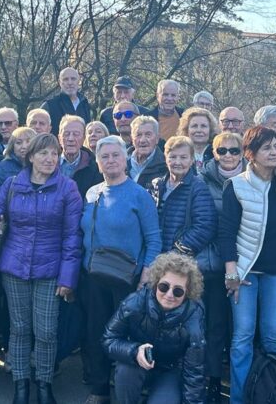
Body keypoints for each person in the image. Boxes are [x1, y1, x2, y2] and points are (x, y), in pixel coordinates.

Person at [0, 133, 83, 404]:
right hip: (14, 268)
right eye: (43, 153)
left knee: (47, 332)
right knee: (20, 329)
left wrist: (68, 277)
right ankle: (21, 385)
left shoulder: (67, 187)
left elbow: (73, 235)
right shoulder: (13, 184)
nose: (49, 159)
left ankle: (44, 384)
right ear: (30, 157)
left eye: (54, 153)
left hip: (51, 269)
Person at [218, 125, 276, 404]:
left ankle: (273, 395)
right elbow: (226, 232)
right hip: (245, 274)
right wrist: (232, 274)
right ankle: (239, 399)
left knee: (273, 337)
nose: (274, 151)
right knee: (242, 338)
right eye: (267, 147)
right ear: (250, 154)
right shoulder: (237, 185)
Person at [80, 136, 162, 404]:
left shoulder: (140, 195)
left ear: (125, 159)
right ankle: (99, 389)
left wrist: (146, 274)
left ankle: (131, 390)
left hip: (128, 279)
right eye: (105, 156)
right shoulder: (92, 193)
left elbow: (154, 239)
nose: (111, 160)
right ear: (98, 161)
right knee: (95, 333)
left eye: (116, 155)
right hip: (93, 277)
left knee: (127, 335)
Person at [150, 136, 217, 397]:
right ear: (165, 158)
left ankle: (187, 384)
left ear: (192, 160)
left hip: (182, 268)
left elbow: (205, 226)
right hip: (159, 265)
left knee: (188, 328)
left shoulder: (197, 187)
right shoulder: (157, 185)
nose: (177, 162)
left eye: (183, 157)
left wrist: (175, 255)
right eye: (173, 156)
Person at [103, 252, 207, 404]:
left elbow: (195, 372)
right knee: (126, 371)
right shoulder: (134, 303)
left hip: (171, 370)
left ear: (187, 293)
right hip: (137, 364)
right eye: (164, 287)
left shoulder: (194, 317)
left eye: (178, 291)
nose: (169, 294)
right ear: (155, 283)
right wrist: (134, 351)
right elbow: (108, 339)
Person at [198, 131, 243, 400]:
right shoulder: (202, 181)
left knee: (243, 329)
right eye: (222, 150)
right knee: (214, 326)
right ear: (214, 153)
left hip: (248, 262)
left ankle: (246, 382)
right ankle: (213, 380)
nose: (228, 155)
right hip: (214, 264)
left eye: (234, 150)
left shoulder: (255, 178)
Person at [59, 115, 102, 198]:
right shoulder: (48, 163)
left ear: (83, 138)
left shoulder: (95, 168)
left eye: (76, 134)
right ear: (59, 138)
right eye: (66, 134)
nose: (71, 138)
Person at [42, 67, 93, 133]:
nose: (70, 82)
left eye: (73, 79)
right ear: (60, 82)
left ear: (79, 81)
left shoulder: (85, 104)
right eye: (65, 79)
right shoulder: (49, 105)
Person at [128, 115, 167, 189]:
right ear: (132, 139)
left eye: (148, 135)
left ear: (157, 138)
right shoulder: (121, 162)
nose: (142, 140)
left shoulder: (166, 166)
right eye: (138, 135)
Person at [178, 107, 218, 173]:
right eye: (194, 126)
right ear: (186, 129)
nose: (199, 130)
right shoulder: (178, 152)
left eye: (203, 126)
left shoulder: (218, 152)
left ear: (210, 129)